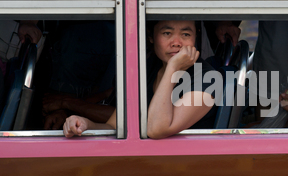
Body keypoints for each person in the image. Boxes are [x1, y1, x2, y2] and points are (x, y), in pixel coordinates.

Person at [64, 20, 217, 139]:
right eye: (167, 33)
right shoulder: (148, 68)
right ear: (151, 37)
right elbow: (114, 126)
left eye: (186, 34)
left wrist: (172, 69)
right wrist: (86, 124)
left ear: (195, 38)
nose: (176, 42)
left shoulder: (207, 78)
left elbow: (157, 129)